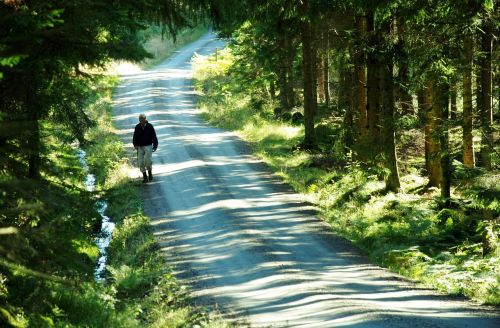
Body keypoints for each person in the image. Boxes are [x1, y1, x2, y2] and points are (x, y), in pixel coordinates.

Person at [133, 113, 158, 183]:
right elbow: (134, 137)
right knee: (140, 162)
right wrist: (135, 145)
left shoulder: (150, 126)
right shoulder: (137, 127)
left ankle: (150, 174)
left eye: (142, 119)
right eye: (139, 119)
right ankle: (144, 177)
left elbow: (154, 137)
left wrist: (155, 146)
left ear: (145, 119)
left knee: (148, 161)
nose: (141, 121)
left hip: (148, 145)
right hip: (140, 147)